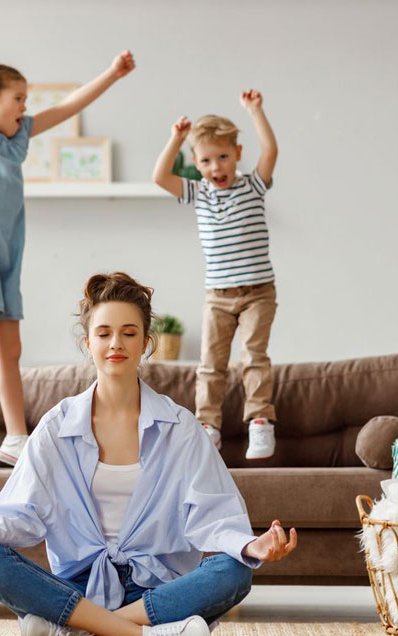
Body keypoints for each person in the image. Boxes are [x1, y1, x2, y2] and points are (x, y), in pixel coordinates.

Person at [0, 272, 297, 636]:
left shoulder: (180, 427)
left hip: (155, 590)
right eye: (104, 333)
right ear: (88, 343)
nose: (116, 343)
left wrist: (251, 545)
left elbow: (212, 513)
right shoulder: (57, 426)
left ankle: (77, 629)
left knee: (234, 571)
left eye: (129, 333)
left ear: (146, 343)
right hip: (77, 586)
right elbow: (21, 510)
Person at [0, 2, 135, 470]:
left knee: (9, 349)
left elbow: (68, 106)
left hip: (8, 253)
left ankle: (16, 436)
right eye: (18, 98)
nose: (25, 107)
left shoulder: (19, 137)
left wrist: (112, 74)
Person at [152, 90, 280, 459]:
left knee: (254, 356)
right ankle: (208, 425)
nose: (216, 167)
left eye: (223, 157)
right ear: (195, 162)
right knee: (211, 364)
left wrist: (256, 111)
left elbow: (270, 151)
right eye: (206, 160)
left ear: (238, 154)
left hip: (258, 291)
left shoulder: (253, 186)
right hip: (217, 296)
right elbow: (160, 176)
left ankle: (259, 421)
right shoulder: (198, 193)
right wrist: (176, 137)